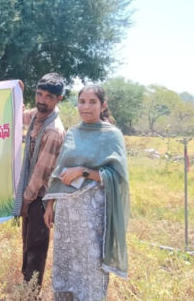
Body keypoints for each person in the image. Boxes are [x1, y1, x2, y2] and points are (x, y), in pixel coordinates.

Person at [43, 85, 129, 300]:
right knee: (66, 261)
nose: (86, 107)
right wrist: (50, 205)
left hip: (93, 214)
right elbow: (58, 172)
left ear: (103, 105)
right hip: (66, 215)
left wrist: (84, 172)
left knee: (91, 264)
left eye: (92, 102)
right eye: (82, 101)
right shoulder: (72, 133)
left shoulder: (111, 136)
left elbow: (117, 176)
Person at [12, 73, 66, 288]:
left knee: (36, 246)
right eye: (39, 94)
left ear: (59, 99)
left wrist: (25, 200)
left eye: (49, 97)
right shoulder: (38, 115)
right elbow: (21, 116)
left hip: (41, 199)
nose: (42, 101)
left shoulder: (53, 131)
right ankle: (26, 286)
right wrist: (17, 94)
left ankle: (31, 291)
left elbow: (41, 173)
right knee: (27, 242)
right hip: (30, 194)